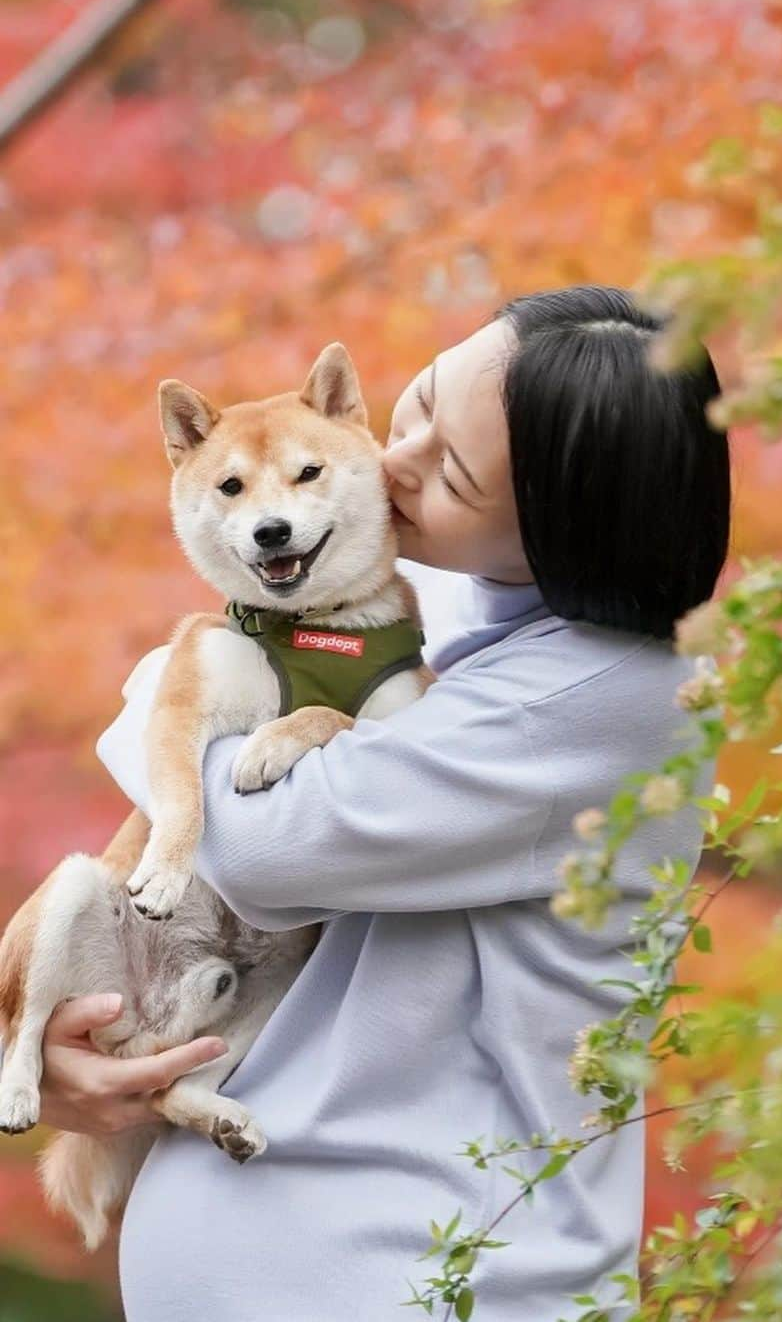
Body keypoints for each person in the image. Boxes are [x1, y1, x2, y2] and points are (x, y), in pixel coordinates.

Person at [38, 284, 731, 1320]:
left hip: (434, 1279)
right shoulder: (436, 606)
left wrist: (162, 685)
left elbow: (267, 842)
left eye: (445, 469)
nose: (382, 461)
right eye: (410, 407)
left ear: (561, 531)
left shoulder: (600, 698)